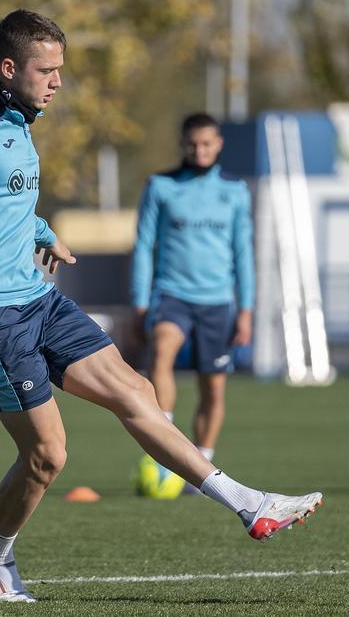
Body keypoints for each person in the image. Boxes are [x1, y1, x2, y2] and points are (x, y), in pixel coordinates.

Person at [0, 10, 321, 603]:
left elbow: (5, 201)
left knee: (137, 392)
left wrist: (43, 231)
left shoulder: (20, 125)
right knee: (47, 456)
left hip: (37, 298)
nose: (57, 81)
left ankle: (250, 505)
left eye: (60, 70)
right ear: (9, 68)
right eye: (45, 70)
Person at [131, 113, 254, 493]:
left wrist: (246, 308)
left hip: (217, 302)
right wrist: (140, 302)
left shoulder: (235, 191)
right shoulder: (162, 186)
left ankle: (201, 466)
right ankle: (163, 444)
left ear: (218, 144)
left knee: (212, 389)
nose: (199, 150)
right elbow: (142, 247)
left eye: (206, 144)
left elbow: (243, 251)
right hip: (172, 296)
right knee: (162, 351)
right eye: (192, 144)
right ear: (183, 145)